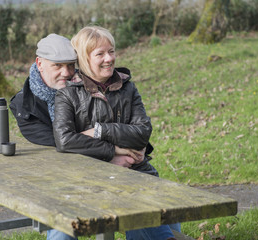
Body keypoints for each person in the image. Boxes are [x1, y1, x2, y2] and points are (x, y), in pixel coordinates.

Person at [53, 26, 180, 240]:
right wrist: (114, 151)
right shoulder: (67, 94)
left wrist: (99, 130)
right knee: (61, 230)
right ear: (84, 58)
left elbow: (142, 133)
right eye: (100, 54)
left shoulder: (128, 88)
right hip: (85, 180)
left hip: (134, 173)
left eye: (111, 51)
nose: (109, 59)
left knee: (145, 221)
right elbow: (65, 141)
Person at [9, 34, 77, 147]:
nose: (66, 73)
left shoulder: (86, 89)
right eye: (57, 65)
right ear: (40, 64)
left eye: (70, 65)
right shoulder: (23, 105)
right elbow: (61, 142)